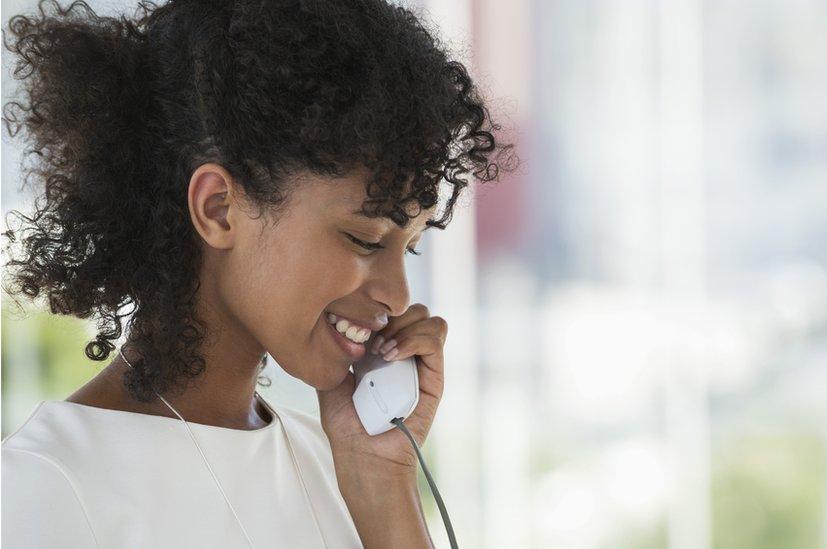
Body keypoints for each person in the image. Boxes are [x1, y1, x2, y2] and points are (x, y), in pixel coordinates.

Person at [0, 0, 512, 547]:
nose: (396, 295)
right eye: (364, 239)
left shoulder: (336, 464)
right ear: (220, 208)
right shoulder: (44, 487)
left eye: (407, 248)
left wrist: (382, 485)